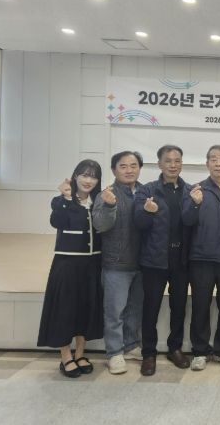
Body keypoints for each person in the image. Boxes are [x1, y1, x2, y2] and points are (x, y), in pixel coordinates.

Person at [37, 159, 104, 378]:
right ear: (75, 176)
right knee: (65, 310)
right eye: (84, 175)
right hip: (67, 264)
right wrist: (66, 198)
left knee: (86, 309)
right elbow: (56, 222)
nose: (88, 180)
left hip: (92, 264)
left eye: (93, 176)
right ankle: (66, 356)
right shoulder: (61, 200)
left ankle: (80, 353)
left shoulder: (98, 201)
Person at [182, 145, 220, 370]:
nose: (218, 163)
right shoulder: (196, 190)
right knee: (200, 306)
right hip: (201, 260)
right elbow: (186, 221)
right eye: (214, 159)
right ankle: (199, 351)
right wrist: (195, 204)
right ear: (207, 163)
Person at [134, 145, 192, 376]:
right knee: (151, 308)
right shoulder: (147, 190)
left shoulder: (190, 191)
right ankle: (148, 353)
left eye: (177, 161)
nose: (173, 165)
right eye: (168, 161)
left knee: (179, 307)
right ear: (159, 164)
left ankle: (174, 348)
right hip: (154, 260)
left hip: (181, 260)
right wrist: (147, 211)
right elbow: (138, 223)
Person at [92, 151, 144, 374]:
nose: (129, 170)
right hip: (116, 263)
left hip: (142, 263)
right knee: (115, 311)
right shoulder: (106, 194)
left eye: (133, 165)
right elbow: (100, 225)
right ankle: (114, 352)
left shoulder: (145, 193)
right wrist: (109, 206)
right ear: (114, 170)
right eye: (123, 166)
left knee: (135, 309)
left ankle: (131, 346)